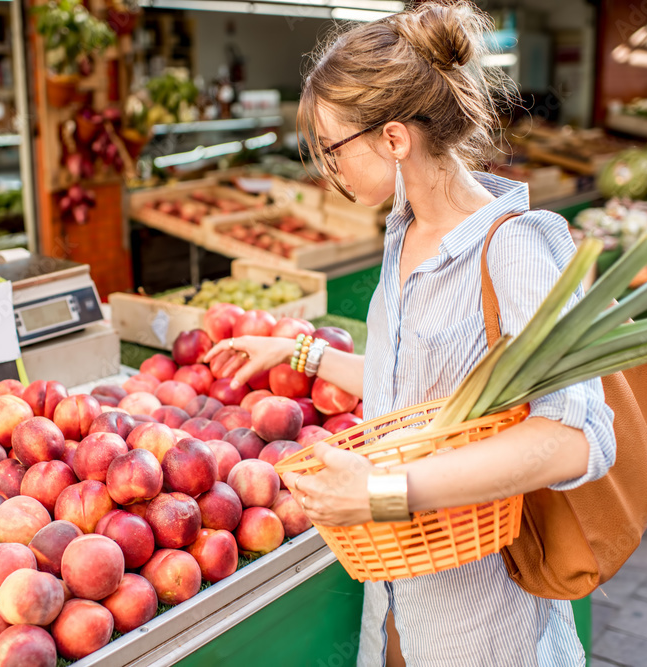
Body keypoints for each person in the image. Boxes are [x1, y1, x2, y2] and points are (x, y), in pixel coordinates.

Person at [203, 2, 615, 665]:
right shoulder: (407, 230)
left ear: (394, 138)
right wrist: (300, 353)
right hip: (396, 602)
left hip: (482, 619)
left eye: (332, 149)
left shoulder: (515, 249)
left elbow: (575, 438)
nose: (327, 170)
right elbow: (415, 391)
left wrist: (381, 492)